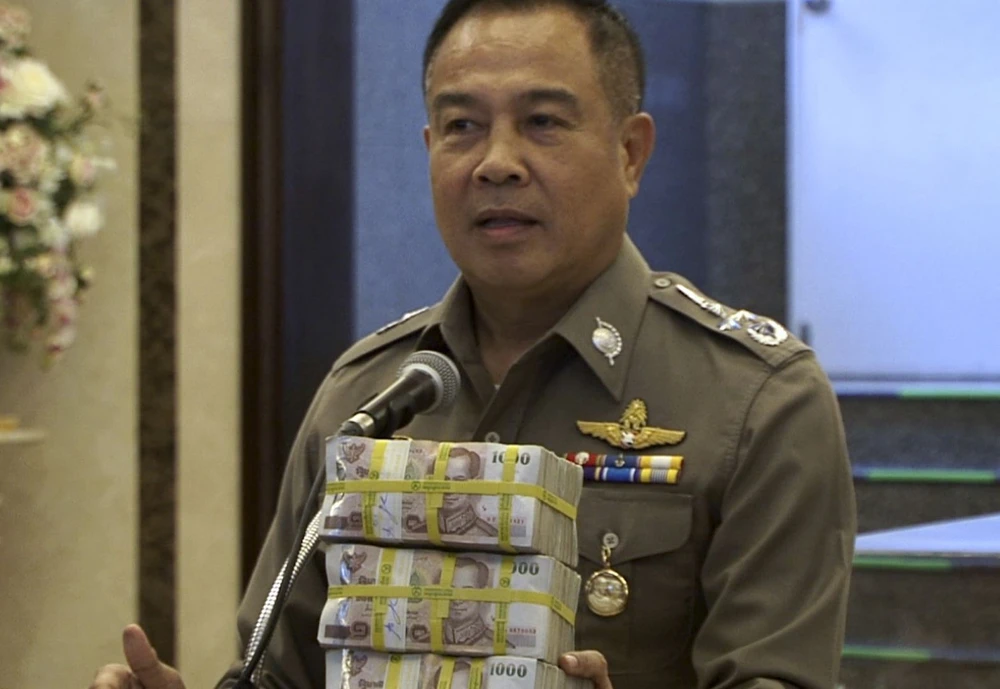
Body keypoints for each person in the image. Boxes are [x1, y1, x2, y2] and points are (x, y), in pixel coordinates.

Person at [89, 1, 856, 688]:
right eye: (462, 127)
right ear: (429, 148)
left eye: (543, 122)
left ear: (630, 152)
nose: (496, 162)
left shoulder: (757, 401)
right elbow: (278, 671)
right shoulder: (369, 396)